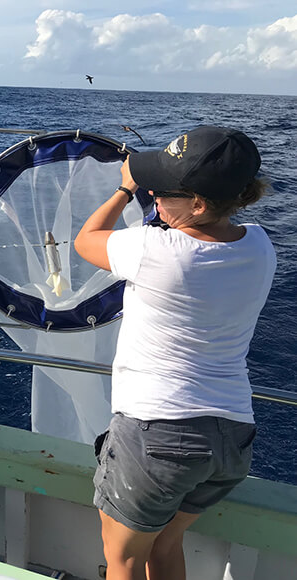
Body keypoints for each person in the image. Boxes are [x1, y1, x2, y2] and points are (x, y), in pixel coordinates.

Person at [73, 126, 276, 580]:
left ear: (199, 204)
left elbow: (87, 239)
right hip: (230, 440)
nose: (153, 197)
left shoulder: (155, 250)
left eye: (161, 191)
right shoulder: (261, 247)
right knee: (166, 543)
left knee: (123, 558)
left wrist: (125, 190)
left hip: (160, 438)